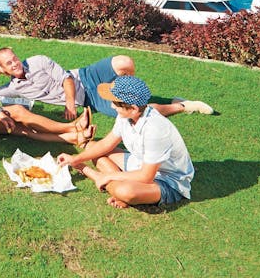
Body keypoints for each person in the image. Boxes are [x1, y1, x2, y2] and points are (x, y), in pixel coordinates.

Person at [58, 75, 194, 209]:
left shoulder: (155, 130)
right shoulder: (125, 116)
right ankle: (114, 186)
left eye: (116, 103)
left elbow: (146, 176)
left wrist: (108, 176)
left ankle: (96, 176)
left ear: (134, 108)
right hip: (141, 163)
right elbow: (106, 144)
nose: (112, 106)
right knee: (92, 148)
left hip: (167, 180)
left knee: (126, 192)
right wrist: (75, 159)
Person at [0, 48, 214, 119]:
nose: (14, 64)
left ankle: (125, 90)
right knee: (133, 113)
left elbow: (67, 79)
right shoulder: (12, 87)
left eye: (14, 59)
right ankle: (182, 106)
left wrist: (70, 106)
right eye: (8, 64)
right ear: (4, 69)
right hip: (90, 99)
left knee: (124, 62)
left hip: (86, 76)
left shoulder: (37, 60)